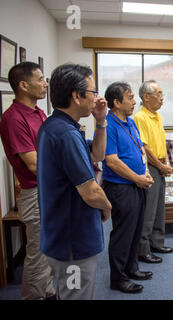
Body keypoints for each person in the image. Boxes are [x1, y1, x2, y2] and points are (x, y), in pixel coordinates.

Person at [37, 64, 112, 300]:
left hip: (62, 233)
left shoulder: (57, 125)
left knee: (68, 293)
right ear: (75, 95)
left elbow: (97, 155)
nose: (95, 98)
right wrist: (107, 206)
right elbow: (90, 192)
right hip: (72, 242)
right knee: (75, 295)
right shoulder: (66, 134)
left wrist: (101, 122)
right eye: (91, 92)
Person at [0, 62, 55, 300]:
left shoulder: (39, 112)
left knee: (51, 250)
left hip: (50, 189)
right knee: (38, 254)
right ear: (24, 85)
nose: (45, 84)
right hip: (35, 193)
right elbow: (34, 164)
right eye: (41, 79)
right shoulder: (13, 118)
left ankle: (48, 292)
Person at [103, 82, 154, 294]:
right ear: (116, 102)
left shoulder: (130, 122)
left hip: (138, 183)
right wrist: (137, 178)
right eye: (130, 98)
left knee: (136, 229)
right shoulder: (108, 125)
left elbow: (140, 148)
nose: (135, 101)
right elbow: (112, 161)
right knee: (123, 233)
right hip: (121, 187)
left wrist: (146, 172)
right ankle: (118, 278)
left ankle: (132, 268)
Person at [134, 80, 173, 264]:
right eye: (158, 93)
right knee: (148, 211)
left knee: (159, 209)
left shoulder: (157, 116)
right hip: (151, 167)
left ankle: (157, 243)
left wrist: (166, 162)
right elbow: (145, 147)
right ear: (146, 96)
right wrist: (160, 165)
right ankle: (143, 249)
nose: (161, 97)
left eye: (162, 93)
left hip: (159, 165)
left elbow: (159, 143)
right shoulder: (140, 117)